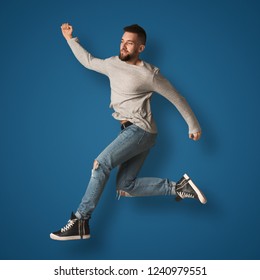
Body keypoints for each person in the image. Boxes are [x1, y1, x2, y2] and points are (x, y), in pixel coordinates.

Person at [50, 23, 207, 241]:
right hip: (133, 132)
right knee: (126, 186)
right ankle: (179, 187)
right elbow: (88, 61)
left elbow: (176, 97)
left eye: (129, 43)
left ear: (140, 48)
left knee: (101, 164)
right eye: (122, 41)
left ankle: (80, 221)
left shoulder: (149, 74)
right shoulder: (113, 64)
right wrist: (70, 39)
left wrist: (194, 125)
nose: (123, 46)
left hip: (140, 130)